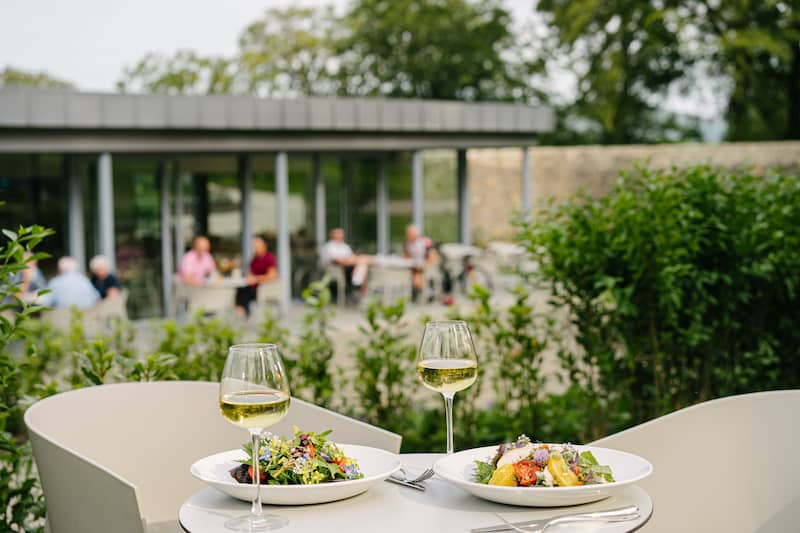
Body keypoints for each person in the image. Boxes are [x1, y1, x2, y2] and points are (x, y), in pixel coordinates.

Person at [235, 235, 278, 317]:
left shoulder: (269, 258)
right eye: (255, 246)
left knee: (244, 292)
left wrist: (257, 279)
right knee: (240, 289)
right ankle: (243, 312)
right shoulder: (254, 258)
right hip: (252, 286)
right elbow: (250, 272)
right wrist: (249, 277)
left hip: (263, 288)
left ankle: (244, 314)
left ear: (264, 245)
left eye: (257, 246)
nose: (256, 248)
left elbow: (272, 275)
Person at [320, 228, 371, 296]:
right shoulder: (329, 246)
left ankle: (358, 286)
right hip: (337, 270)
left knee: (362, 265)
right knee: (362, 266)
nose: (340, 237)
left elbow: (352, 256)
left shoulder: (344, 246)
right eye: (338, 235)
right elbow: (337, 260)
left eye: (341, 235)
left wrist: (355, 260)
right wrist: (351, 261)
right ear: (333, 236)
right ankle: (358, 288)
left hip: (349, 267)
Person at [403, 224, 438, 300]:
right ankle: (424, 292)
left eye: (410, 234)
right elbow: (405, 257)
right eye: (408, 234)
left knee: (417, 276)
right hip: (412, 267)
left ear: (416, 233)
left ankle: (424, 292)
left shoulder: (426, 242)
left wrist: (424, 263)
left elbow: (433, 258)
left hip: (426, 267)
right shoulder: (407, 244)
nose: (409, 235)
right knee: (413, 275)